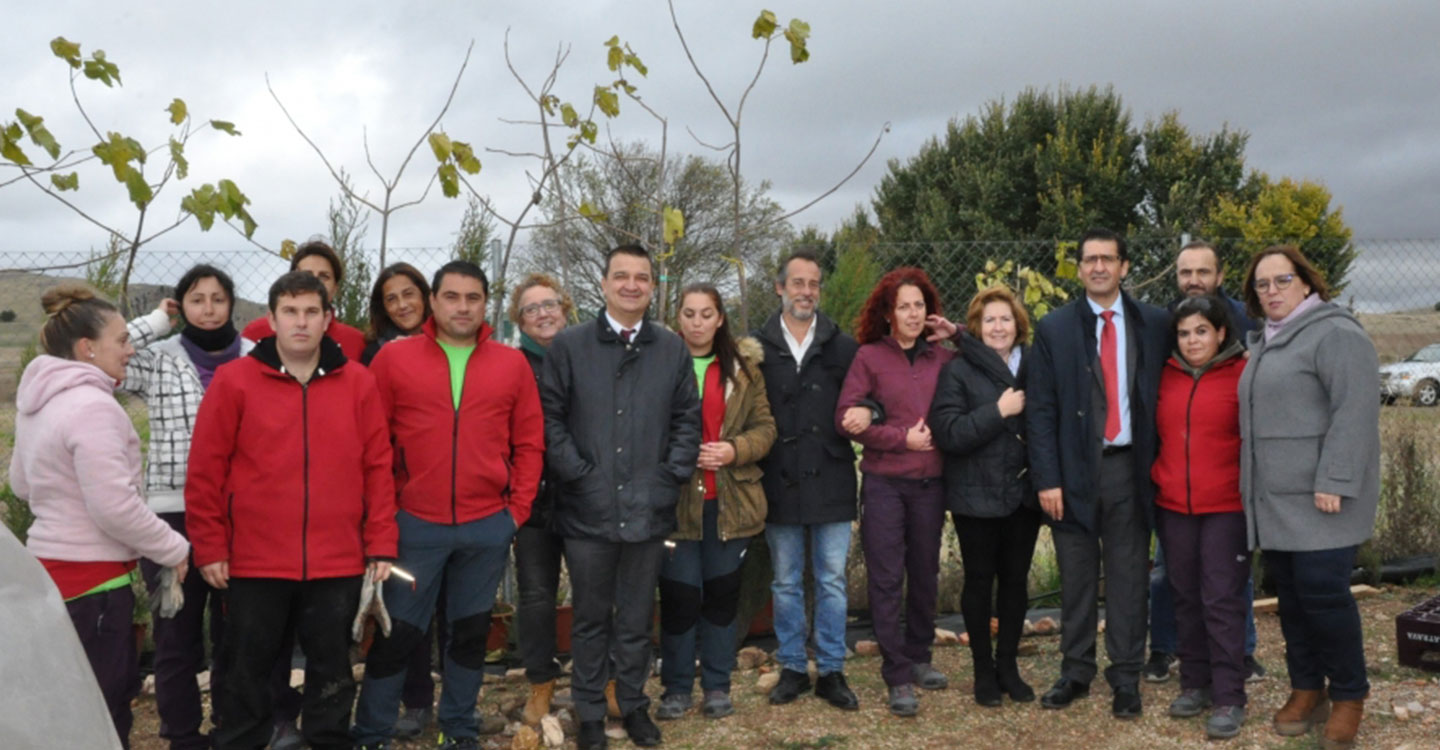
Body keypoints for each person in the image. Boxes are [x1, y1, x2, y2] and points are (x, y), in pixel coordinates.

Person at [186, 271, 398, 750]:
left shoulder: (359, 383)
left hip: (337, 559)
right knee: (246, 669)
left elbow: (378, 468)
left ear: (327, 319)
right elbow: (205, 471)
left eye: (311, 312)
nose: (300, 322)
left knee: (332, 671)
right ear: (272, 319)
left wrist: (380, 541)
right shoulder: (234, 381)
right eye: (290, 311)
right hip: (255, 559)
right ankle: (241, 740)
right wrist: (211, 546)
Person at [354, 261, 544, 750]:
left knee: (469, 634)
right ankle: (372, 731)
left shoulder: (511, 364)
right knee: (398, 634)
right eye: (452, 297)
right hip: (415, 526)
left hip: (486, 527)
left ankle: (457, 728)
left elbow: (529, 444)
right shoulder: (395, 362)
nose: (463, 307)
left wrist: (514, 514)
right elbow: (373, 447)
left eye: (473, 298)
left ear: (486, 304)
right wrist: (386, 517)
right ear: (433, 302)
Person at [12, 283, 191, 749]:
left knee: (64, 705)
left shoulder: (38, 402)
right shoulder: (94, 408)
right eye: (122, 340)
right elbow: (115, 507)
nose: (130, 350)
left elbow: (22, 485)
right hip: (95, 586)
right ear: (88, 348)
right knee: (104, 708)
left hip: (50, 576)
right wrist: (174, 548)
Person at [540, 244, 702, 750]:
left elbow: (686, 421)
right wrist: (581, 476)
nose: (631, 285)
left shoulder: (671, 350)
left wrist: (668, 477)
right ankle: (590, 711)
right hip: (587, 509)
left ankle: (630, 703)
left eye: (642, 277)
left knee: (635, 618)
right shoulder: (569, 346)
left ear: (653, 286)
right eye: (621, 276)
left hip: (648, 510)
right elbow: (550, 422)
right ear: (604, 283)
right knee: (589, 619)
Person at [1238, 245, 1380, 750]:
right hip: (1276, 500)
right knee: (1293, 600)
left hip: (1323, 498)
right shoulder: (1267, 341)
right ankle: (1306, 688)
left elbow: (1355, 412)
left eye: (1281, 281)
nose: (1271, 291)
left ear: (1306, 283)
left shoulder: (1335, 333)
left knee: (1324, 595)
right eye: (1261, 284)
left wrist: (1336, 480)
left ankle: (1349, 695)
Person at [1027, 227, 1169, 719]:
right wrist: (1047, 478)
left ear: (1125, 266)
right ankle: (1076, 671)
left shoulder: (1154, 322)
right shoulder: (1055, 328)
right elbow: (1040, 410)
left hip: (1132, 471)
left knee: (1130, 578)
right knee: (1077, 577)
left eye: (1108, 259)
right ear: (1080, 267)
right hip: (1071, 474)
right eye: (1089, 260)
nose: (1098, 267)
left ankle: (1126, 677)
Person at [118, 265, 253, 750]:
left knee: (235, 630)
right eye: (197, 299)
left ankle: (230, 727)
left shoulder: (258, 358)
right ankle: (181, 734)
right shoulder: (158, 358)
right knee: (175, 633)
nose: (209, 309)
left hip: (241, 513)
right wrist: (155, 321)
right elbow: (103, 358)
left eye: (218, 298)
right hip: (170, 514)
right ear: (183, 305)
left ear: (231, 303)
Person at [835, 267, 958, 717]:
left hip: (931, 484)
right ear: (888, 313)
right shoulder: (869, 357)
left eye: (919, 306)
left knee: (925, 574)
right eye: (903, 306)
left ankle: (921, 656)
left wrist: (957, 332)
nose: (912, 313)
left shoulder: (943, 358)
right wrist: (898, 438)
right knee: (887, 579)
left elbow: (988, 358)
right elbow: (845, 416)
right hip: (886, 483)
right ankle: (898, 674)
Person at [1146, 240, 1265, 685]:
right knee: (1174, 583)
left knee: (1226, 588)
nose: (1193, 279)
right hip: (1175, 495)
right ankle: (1175, 660)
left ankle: (1235, 669)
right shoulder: (1163, 341)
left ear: (1219, 274)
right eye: (1184, 272)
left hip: (1225, 497)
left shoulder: (1245, 339)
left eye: (1203, 271)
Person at [655, 284, 776, 721]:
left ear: (720, 318)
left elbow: (765, 427)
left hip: (731, 503)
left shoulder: (744, 370)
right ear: (677, 318)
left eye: (707, 314)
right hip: (676, 506)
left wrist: (734, 449)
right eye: (689, 314)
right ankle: (676, 688)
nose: (697, 323)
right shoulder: (661, 365)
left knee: (722, 598)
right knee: (680, 598)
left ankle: (718, 686)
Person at [750, 249, 861, 713]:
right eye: (797, 283)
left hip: (832, 478)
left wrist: (869, 411)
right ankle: (794, 666)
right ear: (780, 288)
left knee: (832, 580)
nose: (806, 292)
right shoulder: (755, 347)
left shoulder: (843, 345)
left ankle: (832, 669)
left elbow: (868, 396)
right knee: (786, 581)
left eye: (814, 284)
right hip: (778, 481)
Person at [929, 285, 1042, 708]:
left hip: (1022, 495)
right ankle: (983, 671)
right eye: (990, 319)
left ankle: (1008, 666)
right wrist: (999, 411)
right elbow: (949, 432)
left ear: (1018, 325)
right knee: (979, 583)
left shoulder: (1034, 364)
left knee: (1015, 583)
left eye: (1006, 319)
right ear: (976, 327)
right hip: (974, 497)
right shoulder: (957, 371)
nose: (999, 327)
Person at [1151, 295, 1251, 740]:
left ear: (1221, 333)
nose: (1192, 341)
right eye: (1185, 333)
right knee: (1184, 595)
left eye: (1202, 331)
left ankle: (1229, 695)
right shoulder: (1165, 376)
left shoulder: (1242, 374)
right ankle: (1194, 682)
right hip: (1174, 505)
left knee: (1221, 600)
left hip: (1226, 507)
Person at [507, 273, 580, 726]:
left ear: (565, 308)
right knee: (535, 597)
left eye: (549, 304)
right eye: (531, 308)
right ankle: (541, 682)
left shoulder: (586, 357)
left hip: (585, 498)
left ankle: (602, 679)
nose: (543, 313)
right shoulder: (511, 365)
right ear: (520, 319)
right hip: (532, 503)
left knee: (596, 595)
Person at [242, 240, 366, 361]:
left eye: (324, 276)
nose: (315, 282)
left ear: (335, 289)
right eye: (307, 274)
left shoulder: (355, 342)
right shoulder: (256, 332)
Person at [361, 262, 432, 366]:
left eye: (408, 294)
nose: (402, 305)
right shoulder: (375, 353)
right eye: (391, 299)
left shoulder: (450, 339)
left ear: (424, 297)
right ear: (383, 308)